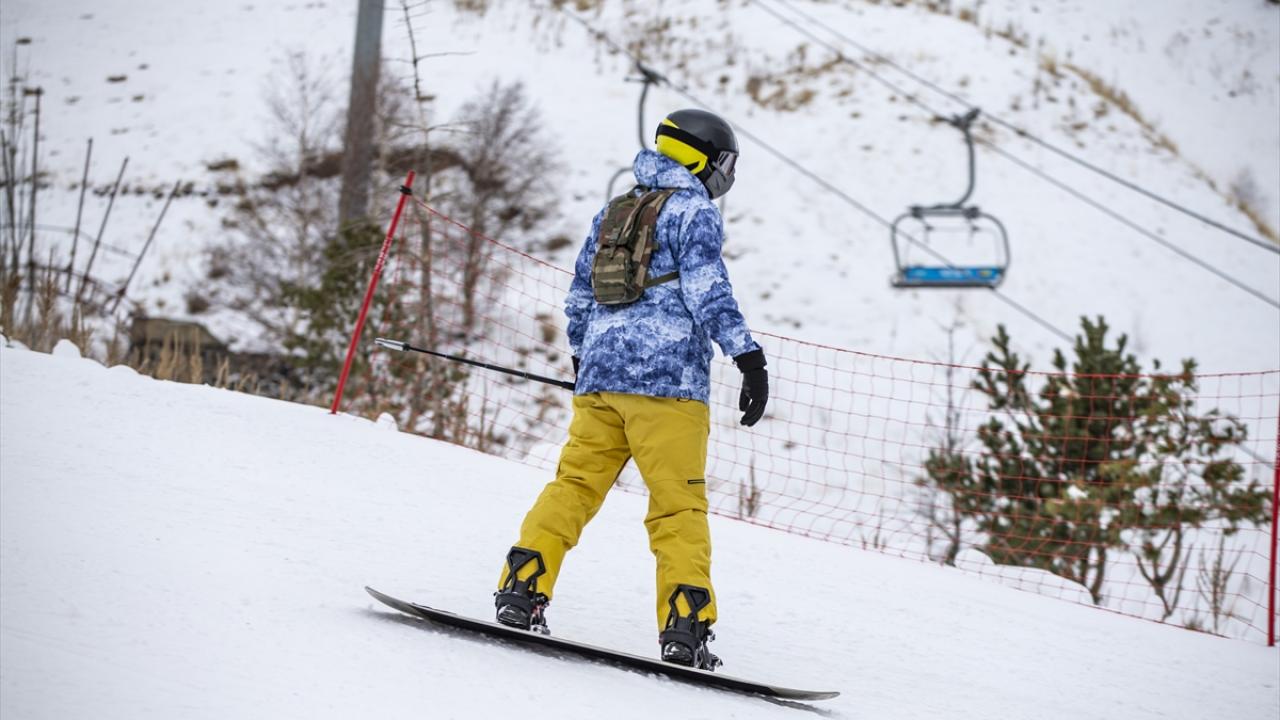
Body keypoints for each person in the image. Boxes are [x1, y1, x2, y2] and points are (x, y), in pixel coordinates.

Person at [493, 108, 767, 671]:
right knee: (677, 507)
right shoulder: (693, 213)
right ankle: (685, 629)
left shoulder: (615, 210)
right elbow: (707, 289)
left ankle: (520, 588)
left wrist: (585, 357)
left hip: (601, 381)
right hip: (667, 388)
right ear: (706, 159)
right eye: (726, 164)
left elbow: (579, 295)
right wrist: (748, 357)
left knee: (572, 486)